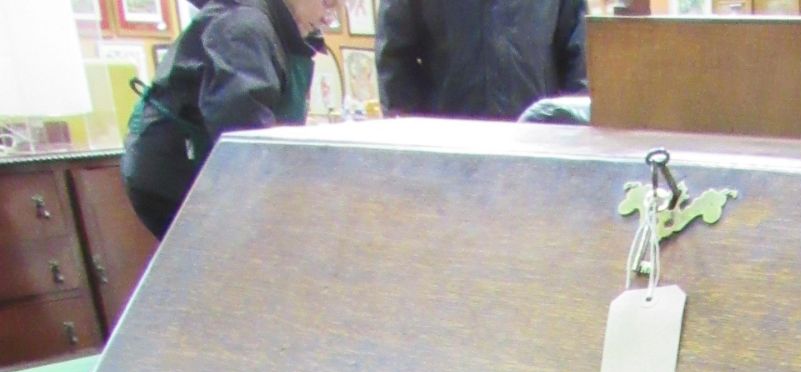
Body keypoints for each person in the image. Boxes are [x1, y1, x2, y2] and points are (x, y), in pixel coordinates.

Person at [121, 0, 337, 240]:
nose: (330, 16)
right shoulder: (243, 25)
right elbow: (245, 135)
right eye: (328, 2)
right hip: (175, 172)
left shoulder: (273, 24)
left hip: (198, 163)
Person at [375, 0, 587, 122]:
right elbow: (395, 57)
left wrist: (570, 133)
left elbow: (579, 55)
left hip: (539, 142)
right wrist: (411, 140)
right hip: (450, 146)